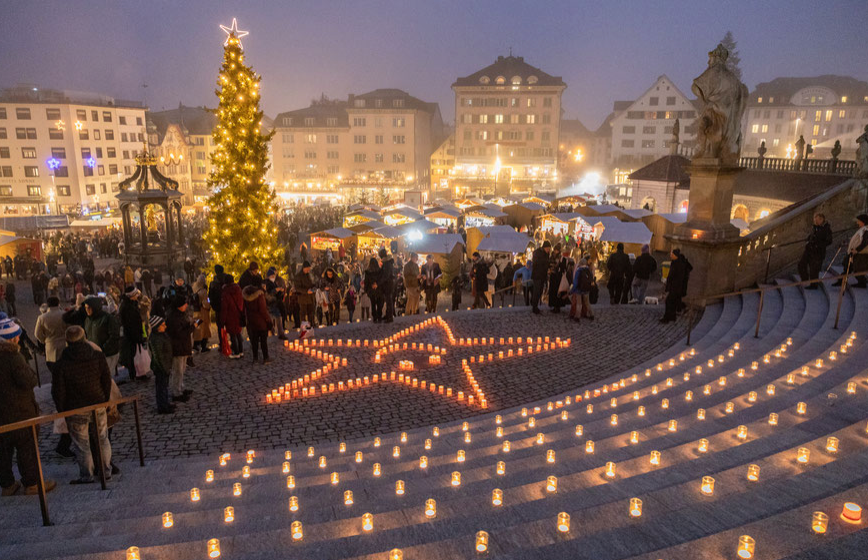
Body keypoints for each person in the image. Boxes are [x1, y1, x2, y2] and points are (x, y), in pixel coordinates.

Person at [0, 317, 57, 496]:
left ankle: (7, 485)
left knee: (3, 450)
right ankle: (32, 483)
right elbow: (29, 380)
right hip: (20, 411)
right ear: (12, 339)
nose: (18, 339)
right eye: (16, 336)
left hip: (2, 415)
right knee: (27, 448)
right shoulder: (13, 357)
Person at [52, 325, 113, 484]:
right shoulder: (97, 356)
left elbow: (58, 391)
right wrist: (105, 400)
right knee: (102, 439)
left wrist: (62, 410)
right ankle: (106, 471)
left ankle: (87, 475)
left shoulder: (62, 363)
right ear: (84, 338)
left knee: (82, 444)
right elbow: (106, 380)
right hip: (97, 403)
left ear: (67, 341)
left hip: (75, 408)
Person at [166, 297, 195, 402]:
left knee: (182, 369)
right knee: (177, 370)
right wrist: (193, 327)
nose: (186, 306)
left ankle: (180, 387)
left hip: (183, 346)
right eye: (184, 304)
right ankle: (176, 392)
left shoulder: (179, 314)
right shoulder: (173, 317)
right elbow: (180, 333)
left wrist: (190, 324)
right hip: (178, 347)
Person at [83, 296, 120, 374]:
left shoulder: (107, 318)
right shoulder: (87, 320)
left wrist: (103, 348)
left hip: (108, 354)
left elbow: (114, 335)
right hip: (94, 354)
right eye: (85, 308)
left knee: (106, 377)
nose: (87, 310)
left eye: (89, 308)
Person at [797, 214, 833, 289]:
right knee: (801, 264)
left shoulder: (826, 229)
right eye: (815, 219)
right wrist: (808, 241)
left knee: (814, 269)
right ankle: (805, 279)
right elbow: (812, 236)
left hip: (818, 252)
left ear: (822, 219)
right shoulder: (815, 227)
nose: (816, 221)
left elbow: (829, 241)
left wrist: (818, 245)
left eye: (818, 219)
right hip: (809, 250)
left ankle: (814, 285)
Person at [147, 316, 174, 414]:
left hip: (165, 365)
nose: (165, 327)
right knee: (161, 387)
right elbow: (159, 356)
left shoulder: (161, 335)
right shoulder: (156, 339)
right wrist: (165, 368)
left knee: (164, 386)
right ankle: (162, 406)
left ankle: (165, 403)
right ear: (157, 327)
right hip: (161, 367)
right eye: (163, 325)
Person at [833, 214, 868, 289]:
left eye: (859, 221)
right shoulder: (862, 229)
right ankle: (841, 281)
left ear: (863, 222)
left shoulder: (866, 230)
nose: (857, 223)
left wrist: (856, 250)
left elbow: (865, 242)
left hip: (860, 254)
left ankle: (862, 283)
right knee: (847, 267)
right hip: (855, 253)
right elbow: (857, 241)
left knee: (857, 269)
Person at [118, 286, 145, 382]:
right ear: (132, 295)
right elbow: (129, 323)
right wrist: (137, 336)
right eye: (136, 294)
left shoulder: (133, 303)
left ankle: (140, 372)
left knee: (137, 353)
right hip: (131, 334)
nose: (137, 295)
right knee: (133, 355)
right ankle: (134, 374)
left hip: (136, 332)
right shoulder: (126, 306)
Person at [243, 278, 271, 364]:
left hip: (251, 322)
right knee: (263, 341)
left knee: (254, 341)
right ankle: (266, 358)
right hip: (261, 322)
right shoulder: (259, 295)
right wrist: (268, 320)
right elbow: (263, 310)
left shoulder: (245, 294)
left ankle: (255, 358)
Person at [661, 248, 693, 323]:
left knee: (669, 301)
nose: (670, 256)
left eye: (672, 254)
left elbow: (672, 276)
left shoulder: (677, 264)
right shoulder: (677, 262)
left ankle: (667, 318)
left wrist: (668, 285)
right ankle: (672, 316)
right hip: (677, 287)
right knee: (673, 302)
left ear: (675, 255)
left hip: (675, 287)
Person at [221, 274, 244, 359]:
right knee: (238, 333)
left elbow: (224, 308)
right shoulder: (238, 289)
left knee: (233, 335)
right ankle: (241, 351)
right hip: (238, 314)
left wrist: (222, 320)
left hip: (230, 316)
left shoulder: (225, 292)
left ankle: (236, 352)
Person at [191, 275, 212, 352]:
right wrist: (209, 305)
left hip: (196, 313)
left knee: (197, 328)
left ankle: (195, 344)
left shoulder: (194, 288)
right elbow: (206, 302)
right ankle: (203, 346)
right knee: (204, 330)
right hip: (203, 313)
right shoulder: (204, 291)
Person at [530, 241, 551, 314]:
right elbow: (536, 262)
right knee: (537, 291)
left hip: (543, 275)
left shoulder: (547, 253)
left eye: (549, 249)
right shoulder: (537, 252)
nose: (548, 250)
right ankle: (534, 307)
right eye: (548, 248)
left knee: (540, 291)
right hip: (537, 275)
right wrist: (545, 262)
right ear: (544, 247)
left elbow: (547, 262)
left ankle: (535, 304)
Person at [294, 261, 316, 327]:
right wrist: (306, 291)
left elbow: (311, 283)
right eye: (307, 269)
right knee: (303, 313)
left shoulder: (309, 275)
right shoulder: (298, 276)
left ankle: (311, 325)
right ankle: (304, 327)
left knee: (311, 312)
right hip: (303, 298)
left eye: (309, 269)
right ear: (304, 268)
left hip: (311, 298)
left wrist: (314, 287)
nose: (308, 270)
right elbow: (297, 288)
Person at [379, 248, 396, 322]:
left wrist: (379, 282)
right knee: (388, 300)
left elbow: (386, 276)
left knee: (389, 301)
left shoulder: (387, 263)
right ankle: (388, 315)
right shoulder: (387, 262)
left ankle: (390, 317)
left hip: (388, 285)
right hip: (388, 284)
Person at [365, 258, 383, 322]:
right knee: (379, 303)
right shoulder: (379, 271)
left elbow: (366, 282)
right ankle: (379, 316)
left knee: (373, 304)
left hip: (371, 290)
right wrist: (377, 284)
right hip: (379, 289)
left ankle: (374, 317)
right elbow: (381, 280)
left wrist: (366, 290)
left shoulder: (368, 272)